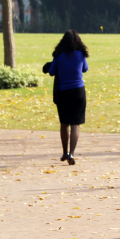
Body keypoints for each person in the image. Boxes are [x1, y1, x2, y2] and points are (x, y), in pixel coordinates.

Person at [48, 30, 89, 165]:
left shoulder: (58, 55)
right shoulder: (80, 54)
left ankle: (65, 152)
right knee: (75, 124)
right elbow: (85, 69)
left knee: (64, 123)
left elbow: (52, 72)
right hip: (78, 91)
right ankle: (72, 153)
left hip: (63, 92)